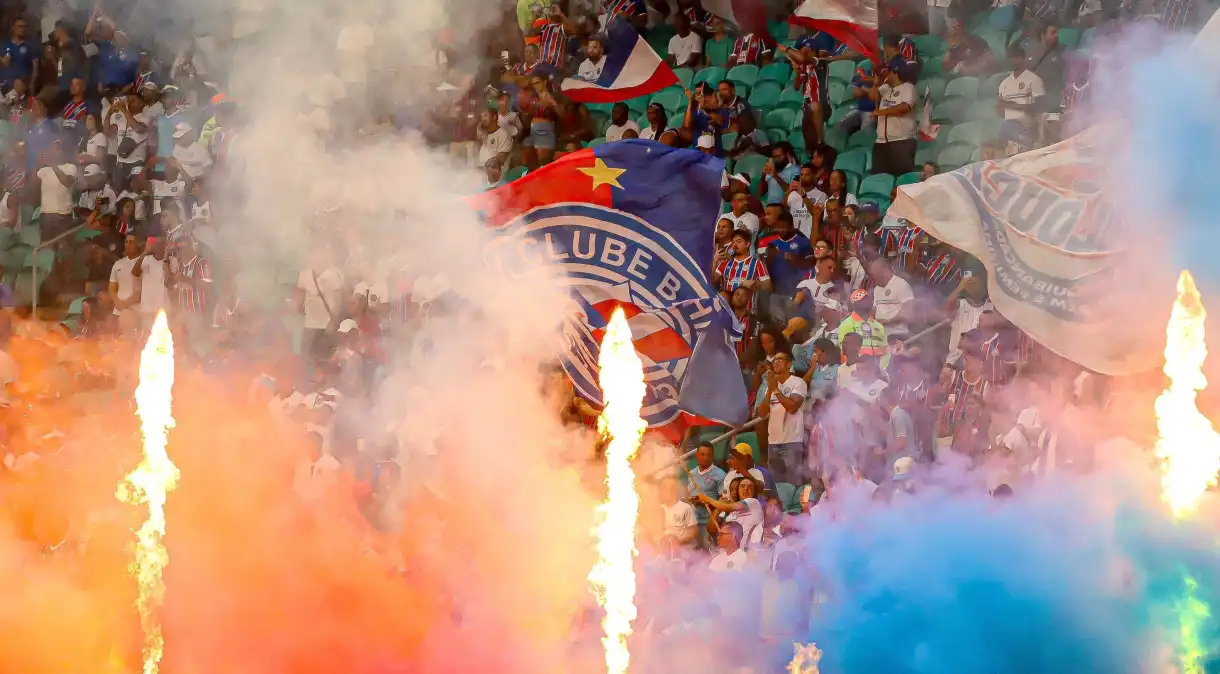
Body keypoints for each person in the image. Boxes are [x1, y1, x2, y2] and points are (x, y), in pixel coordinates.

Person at [759, 351, 808, 485]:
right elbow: (762, 413)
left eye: (780, 359)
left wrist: (776, 390)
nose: (775, 362)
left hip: (792, 440)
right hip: (773, 441)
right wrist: (770, 390)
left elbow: (792, 408)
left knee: (792, 483)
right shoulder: (772, 385)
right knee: (776, 485)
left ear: (789, 364)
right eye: (774, 360)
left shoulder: (798, 382)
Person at [758, 211, 814, 326]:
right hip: (776, 293)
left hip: (795, 293)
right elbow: (766, 270)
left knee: (793, 326)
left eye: (783, 227)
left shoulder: (803, 242)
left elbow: (811, 264)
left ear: (791, 226)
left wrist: (796, 259)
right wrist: (770, 258)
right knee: (778, 325)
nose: (780, 230)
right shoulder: (772, 243)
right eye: (777, 227)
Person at [996, 45, 1044, 156]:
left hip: (1026, 124)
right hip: (1007, 125)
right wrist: (1000, 106)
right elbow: (999, 111)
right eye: (1010, 58)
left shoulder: (1033, 79)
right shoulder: (1004, 83)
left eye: (1016, 57)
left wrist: (1008, 105)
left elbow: (1037, 108)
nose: (1013, 60)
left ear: (1023, 59)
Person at [870, 62, 918, 176]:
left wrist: (881, 112)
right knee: (880, 179)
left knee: (901, 179)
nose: (884, 75)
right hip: (881, 143)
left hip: (902, 141)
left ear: (895, 73)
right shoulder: (885, 88)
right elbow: (872, 96)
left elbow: (904, 107)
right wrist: (875, 83)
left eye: (887, 72)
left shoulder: (909, 87)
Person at [36, 141, 78, 243]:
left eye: (57, 149)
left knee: (64, 249)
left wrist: (52, 164)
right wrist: (38, 161)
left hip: (63, 216)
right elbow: (32, 185)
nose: (54, 151)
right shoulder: (44, 169)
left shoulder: (70, 167)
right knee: (46, 249)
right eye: (52, 149)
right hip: (46, 215)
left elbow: (67, 182)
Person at [868, 257, 915, 341]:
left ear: (885, 271)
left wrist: (888, 321)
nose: (873, 279)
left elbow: (908, 313)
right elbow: (874, 309)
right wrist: (870, 321)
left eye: (875, 275)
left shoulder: (901, 285)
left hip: (896, 333)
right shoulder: (877, 289)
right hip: (879, 333)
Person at [130, 237, 172, 331]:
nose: (159, 247)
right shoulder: (146, 259)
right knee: (147, 338)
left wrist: (166, 262)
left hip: (164, 308)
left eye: (162, 244)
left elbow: (172, 283)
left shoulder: (172, 260)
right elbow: (135, 273)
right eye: (156, 244)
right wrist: (144, 253)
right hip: (147, 308)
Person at [713, 228, 771, 294]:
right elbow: (712, 281)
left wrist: (756, 284)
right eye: (733, 242)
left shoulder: (757, 263)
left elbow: (768, 287)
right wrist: (715, 262)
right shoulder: (725, 263)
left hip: (748, 303)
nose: (734, 244)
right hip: (726, 303)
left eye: (739, 241)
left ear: (747, 244)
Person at [109, 234, 142, 336]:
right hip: (117, 310)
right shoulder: (118, 264)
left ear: (139, 244)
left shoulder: (143, 262)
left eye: (131, 242)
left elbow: (143, 289)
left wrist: (126, 304)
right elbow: (112, 287)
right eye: (126, 242)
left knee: (128, 340)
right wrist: (116, 302)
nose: (127, 245)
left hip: (135, 310)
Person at [658, 477, 697, 549]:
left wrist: (679, 541)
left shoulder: (686, 507)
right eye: (662, 488)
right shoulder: (660, 509)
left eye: (666, 488)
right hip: (665, 548)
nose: (663, 491)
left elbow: (693, 531)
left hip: (684, 548)